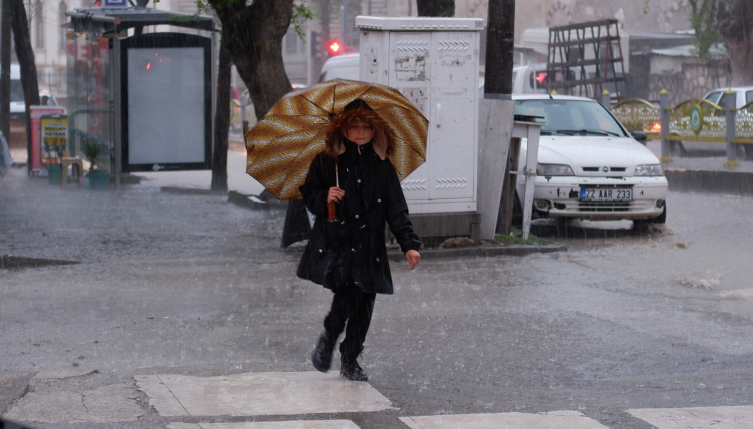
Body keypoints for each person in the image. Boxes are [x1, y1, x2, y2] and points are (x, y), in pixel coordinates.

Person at [297, 99, 422, 382]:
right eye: (354, 126)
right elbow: (309, 194)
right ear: (342, 128)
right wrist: (324, 197)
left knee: (365, 305)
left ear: (377, 130)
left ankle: (350, 357)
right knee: (346, 296)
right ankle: (329, 339)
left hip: (371, 247)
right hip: (339, 242)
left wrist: (409, 245)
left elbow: (396, 209)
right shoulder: (326, 161)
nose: (362, 131)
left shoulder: (382, 166)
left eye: (368, 126)